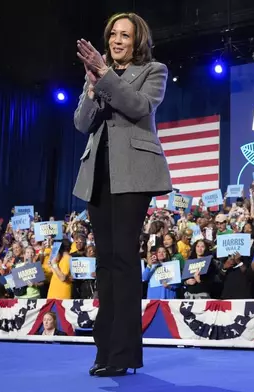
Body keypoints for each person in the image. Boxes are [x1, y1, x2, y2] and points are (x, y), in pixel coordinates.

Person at [74, 12, 171, 377]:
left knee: (123, 261)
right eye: (113, 34)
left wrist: (105, 77)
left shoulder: (154, 70)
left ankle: (124, 353)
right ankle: (104, 350)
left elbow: (138, 107)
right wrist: (89, 89)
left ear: (137, 41)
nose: (116, 40)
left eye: (124, 35)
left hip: (133, 176)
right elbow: (82, 124)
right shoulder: (98, 75)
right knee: (105, 263)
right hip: (98, 175)